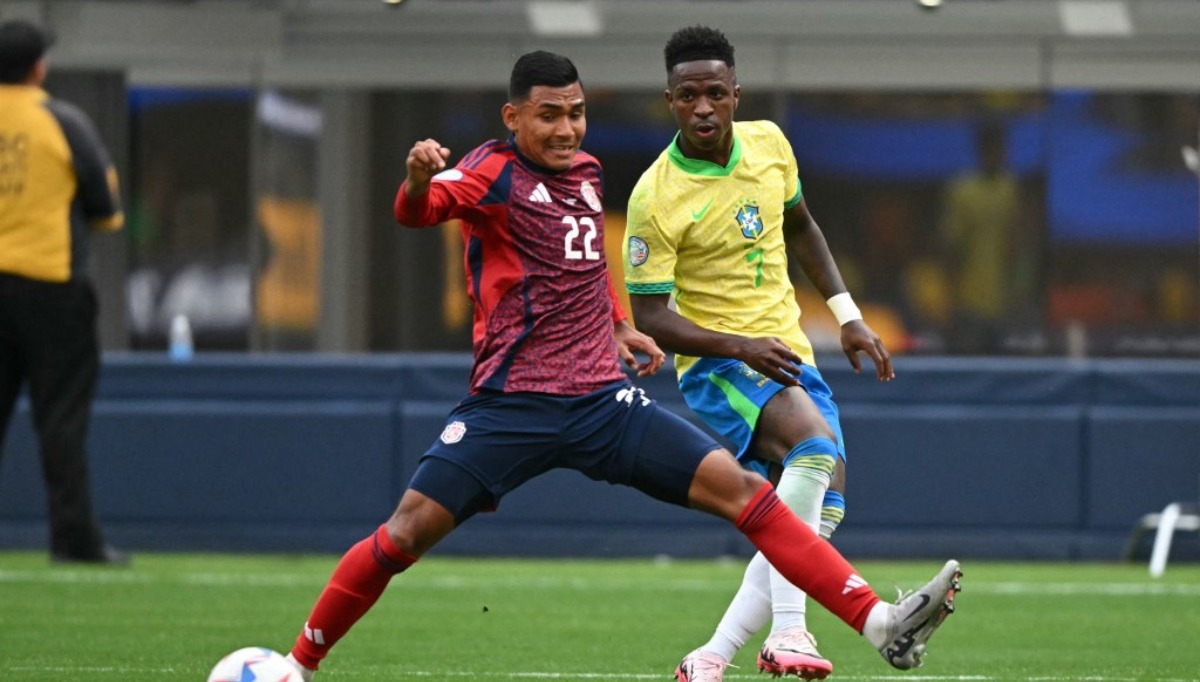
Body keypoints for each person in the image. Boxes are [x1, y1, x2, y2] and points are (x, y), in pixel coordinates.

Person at [280, 50, 960, 681]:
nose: (567, 127)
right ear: (512, 117)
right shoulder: (490, 172)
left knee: (748, 495)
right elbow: (418, 211)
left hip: (604, 403)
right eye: (549, 114)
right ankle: (298, 663)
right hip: (511, 405)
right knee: (405, 532)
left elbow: (584, 261)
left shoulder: (587, 174)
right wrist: (417, 178)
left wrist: (616, 324)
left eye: (576, 111)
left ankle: (879, 623)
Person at [622, 26, 932, 681]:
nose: (702, 107)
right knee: (813, 452)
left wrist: (847, 316)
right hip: (721, 364)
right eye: (687, 97)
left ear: (736, 93)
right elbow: (648, 317)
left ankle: (711, 657)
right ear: (669, 102)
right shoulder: (656, 194)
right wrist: (738, 345)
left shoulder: (770, 145)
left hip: (787, 354)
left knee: (818, 514)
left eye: (713, 92)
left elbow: (802, 226)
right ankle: (792, 634)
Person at [0, 20, 127, 565]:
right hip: (51, 287)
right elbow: (106, 211)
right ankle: (74, 541)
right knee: (61, 421)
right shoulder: (63, 122)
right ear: (38, 68)